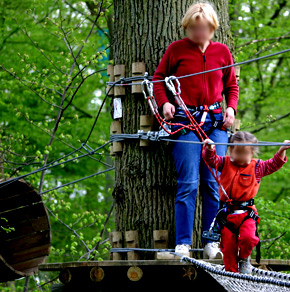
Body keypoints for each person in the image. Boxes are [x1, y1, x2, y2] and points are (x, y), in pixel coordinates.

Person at [152, 2, 239, 258]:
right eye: (193, 28)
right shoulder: (177, 50)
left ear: (212, 28)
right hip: (185, 120)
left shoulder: (222, 52)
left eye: (202, 28)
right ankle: (183, 244)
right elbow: (158, 79)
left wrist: (231, 109)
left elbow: (231, 86)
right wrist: (164, 102)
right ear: (187, 28)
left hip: (215, 123)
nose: (198, 34)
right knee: (188, 183)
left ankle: (211, 243)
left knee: (213, 184)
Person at [203, 131, 289, 273]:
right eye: (238, 154)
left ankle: (244, 259)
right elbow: (210, 160)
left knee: (249, 238)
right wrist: (210, 149)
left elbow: (274, 164)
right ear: (231, 150)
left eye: (246, 155)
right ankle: (232, 274)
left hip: (247, 214)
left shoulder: (257, 167)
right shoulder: (224, 163)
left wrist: (282, 150)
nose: (242, 159)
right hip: (227, 215)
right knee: (229, 248)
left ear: (253, 153)